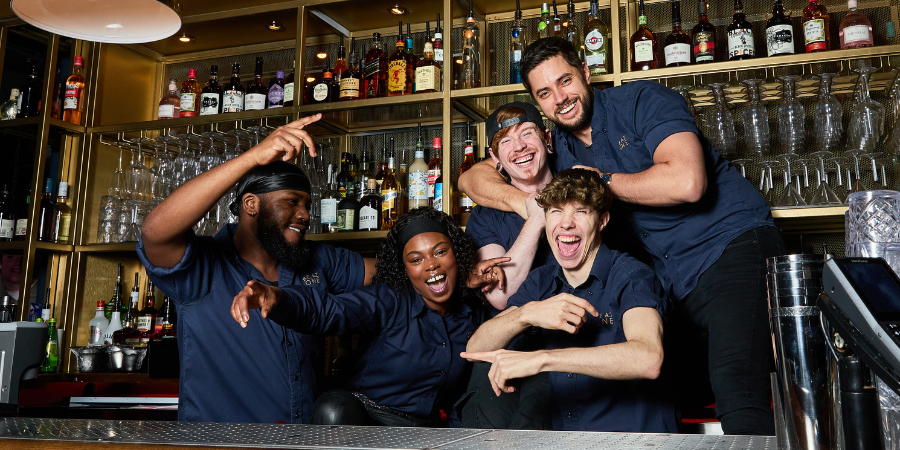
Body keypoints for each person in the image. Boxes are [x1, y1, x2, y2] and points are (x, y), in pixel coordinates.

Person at [459, 37, 785, 435]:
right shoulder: (558, 145)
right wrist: (528, 205)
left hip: (728, 246)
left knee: (737, 385)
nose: (560, 98)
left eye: (565, 81)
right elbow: (471, 178)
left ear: (585, 72)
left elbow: (688, 182)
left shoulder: (641, 100)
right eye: (544, 93)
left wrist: (605, 181)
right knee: (676, 392)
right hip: (672, 282)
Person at [138, 114, 376, 424]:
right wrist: (252, 157)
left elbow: (394, 273)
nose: (305, 215)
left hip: (303, 442)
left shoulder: (317, 260)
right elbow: (155, 232)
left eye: (307, 205)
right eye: (292, 201)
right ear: (251, 204)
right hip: (222, 444)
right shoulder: (203, 267)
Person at [230, 207, 508, 427]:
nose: (431, 265)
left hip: (426, 429)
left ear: (455, 255)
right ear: (405, 269)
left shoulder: (474, 312)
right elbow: (328, 310)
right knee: (333, 408)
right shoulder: (389, 299)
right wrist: (279, 298)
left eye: (440, 252)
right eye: (416, 259)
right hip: (368, 420)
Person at [463, 168, 677, 433]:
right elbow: (476, 348)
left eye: (580, 211)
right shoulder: (542, 281)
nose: (566, 223)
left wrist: (542, 359)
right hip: (570, 439)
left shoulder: (631, 275)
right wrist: (526, 314)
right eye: (556, 211)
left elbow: (648, 358)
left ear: (602, 221)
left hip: (634, 439)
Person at [459, 101, 557, 430]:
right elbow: (502, 296)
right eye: (506, 141)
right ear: (495, 158)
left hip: (572, 346)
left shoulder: (577, 192)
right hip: (507, 348)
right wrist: (536, 218)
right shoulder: (486, 216)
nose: (519, 147)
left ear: (547, 139)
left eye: (527, 134)